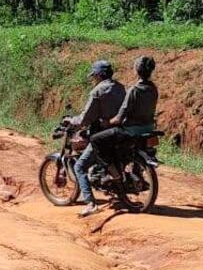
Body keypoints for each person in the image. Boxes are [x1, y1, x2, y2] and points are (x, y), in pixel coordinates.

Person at [66, 61, 125, 218]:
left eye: (94, 76)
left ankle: (90, 204)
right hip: (120, 132)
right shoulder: (120, 88)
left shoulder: (98, 91)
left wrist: (72, 121)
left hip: (103, 134)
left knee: (79, 166)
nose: (94, 79)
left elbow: (85, 118)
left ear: (99, 75)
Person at [90, 56, 158, 189]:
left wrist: (107, 122)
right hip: (148, 128)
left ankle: (115, 175)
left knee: (96, 139)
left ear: (136, 70)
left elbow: (120, 117)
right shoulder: (153, 89)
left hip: (130, 130)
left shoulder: (134, 90)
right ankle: (136, 172)